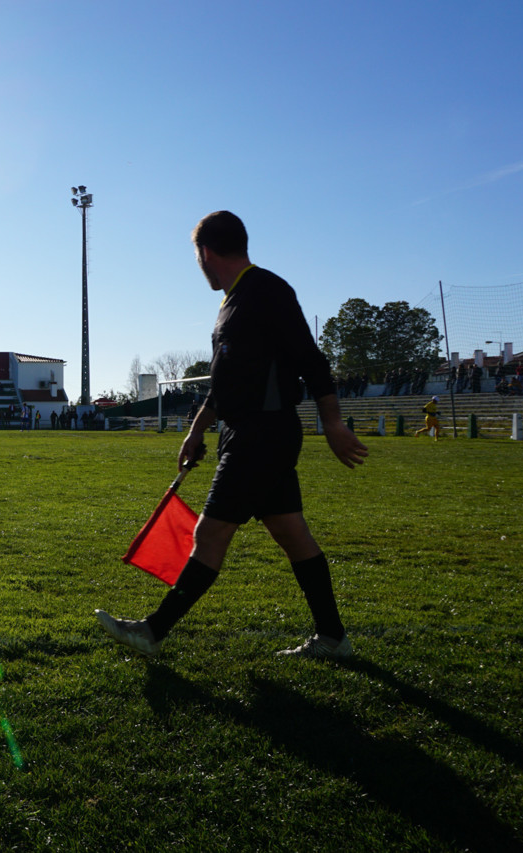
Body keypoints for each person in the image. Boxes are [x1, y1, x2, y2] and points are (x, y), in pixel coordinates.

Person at [95, 211, 369, 660]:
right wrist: (197, 431)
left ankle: (152, 631)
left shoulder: (266, 291)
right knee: (291, 532)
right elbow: (226, 385)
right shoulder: (231, 303)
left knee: (210, 534)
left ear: (205, 252)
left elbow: (312, 361)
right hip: (252, 433)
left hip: (261, 435)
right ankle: (333, 638)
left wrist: (334, 422)